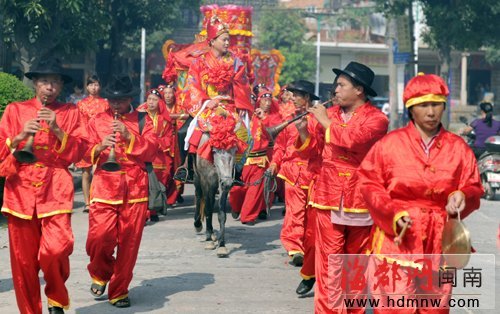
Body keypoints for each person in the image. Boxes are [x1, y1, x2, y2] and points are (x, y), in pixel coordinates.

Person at [358, 73, 483, 313]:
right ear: (411, 109)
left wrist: (463, 195)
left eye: (436, 104)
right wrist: (392, 212)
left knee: (436, 306)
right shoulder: (389, 144)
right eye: (423, 105)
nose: (431, 112)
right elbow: (369, 184)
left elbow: (474, 186)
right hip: (398, 238)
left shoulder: (458, 148)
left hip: (441, 240)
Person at [294, 61, 389, 313]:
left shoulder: (378, 119)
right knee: (329, 263)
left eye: (341, 85)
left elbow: (354, 140)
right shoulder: (331, 114)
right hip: (327, 195)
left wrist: (325, 123)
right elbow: (313, 152)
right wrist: (304, 132)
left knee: (356, 262)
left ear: (359, 90)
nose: (335, 90)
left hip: (361, 197)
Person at [0, 58, 88, 314]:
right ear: (35, 83)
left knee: (56, 249)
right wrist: (18, 138)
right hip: (20, 191)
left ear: (61, 86)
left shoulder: (71, 113)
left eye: (55, 82)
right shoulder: (15, 110)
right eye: (45, 81)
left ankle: (57, 298)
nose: (50, 86)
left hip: (56, 188)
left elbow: (80, 150)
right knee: (23, 262)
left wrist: (58, 130)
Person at [85, 75, 158, 308]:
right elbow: (82, 152)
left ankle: (119, 290)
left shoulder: (144, 121)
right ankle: (100, 271)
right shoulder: (96, 120)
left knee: (129, 243)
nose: (116, 105)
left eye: (121, 100)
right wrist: (99, 147)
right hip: (104, 186)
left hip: (135, 188)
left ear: (130, 99)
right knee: (99, 237)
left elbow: (152, 152)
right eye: (112, 100)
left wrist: (129, 137)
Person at [174, 15, 253, 183]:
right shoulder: (199, 62)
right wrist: (205, 101)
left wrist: (236, 100)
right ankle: (186, 168)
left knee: (245, 135)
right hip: (206, 106)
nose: (227, 43)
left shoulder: (235, 62)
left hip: (229, 106)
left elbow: (243, 84)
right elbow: (192, 85)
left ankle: (238, 171)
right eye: (224, 39)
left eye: (228, 40)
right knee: (183, 133)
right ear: (212, 40)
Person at [269, 80, 318, 294]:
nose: (293, 98)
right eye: (293, 94)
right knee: (295, 212)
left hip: (314, 172)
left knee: (311, 215)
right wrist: (273, 163)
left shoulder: (317, 119)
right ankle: (295, 248)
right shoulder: (288, 121)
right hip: (292, 172)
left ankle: (310, 249)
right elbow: (280, 146)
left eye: (297, 95)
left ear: (306, 97)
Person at [229, 89, 281, 225]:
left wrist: (264, 119)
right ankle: (237, 206)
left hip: (262, 158)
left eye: (269, 100)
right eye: (264, 100)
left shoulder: (271, 118)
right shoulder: (245, 117)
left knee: (256, 189)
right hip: (244, 159)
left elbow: (274, 135)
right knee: (239, 188)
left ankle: (249, 215)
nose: (267, 103)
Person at [137, 88, 174, 221]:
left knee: (157, 185)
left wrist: (156, 143)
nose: (151, 102)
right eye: (149, 99)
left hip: (159, 157)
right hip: (143, 155)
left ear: (160, 102)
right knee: (143, 185)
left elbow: (168, 139)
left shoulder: (163, 121)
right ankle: (144, 212)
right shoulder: (139, 118)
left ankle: (153, 210)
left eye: (154, 100)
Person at [76, 74, 109, 212]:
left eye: (96, 84)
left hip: (100, 139)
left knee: (98, 171)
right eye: (91, 85)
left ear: (100, 86)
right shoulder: (80, 104)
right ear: (87, 86)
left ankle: (96, 198)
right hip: (86, 140)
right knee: (86, 172)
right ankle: (87, 202)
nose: (94, 88)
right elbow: (78, 124)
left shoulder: (105, 103)